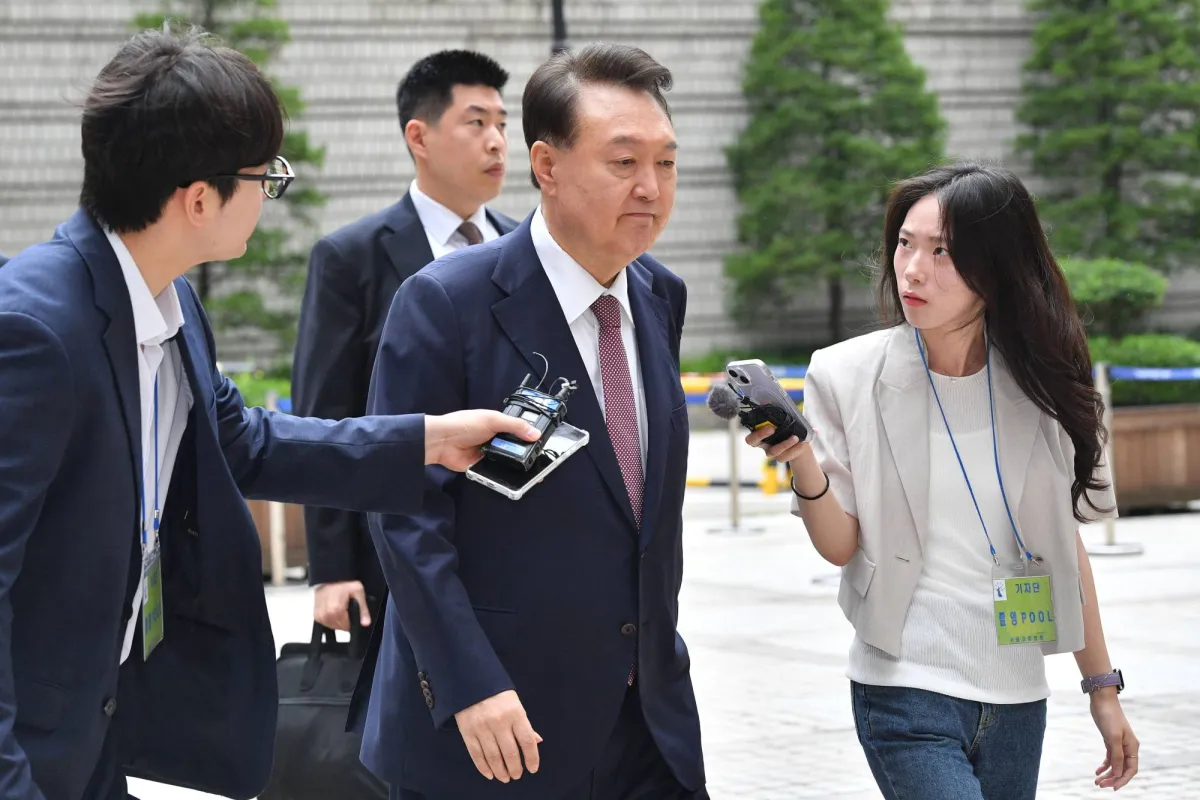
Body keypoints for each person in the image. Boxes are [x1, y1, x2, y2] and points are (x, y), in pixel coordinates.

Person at [0, 29, 541, 800]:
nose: (270, 192)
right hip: (30, 741)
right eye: (266, 176)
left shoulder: (167, 298)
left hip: (93, 722)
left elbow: (242, 442)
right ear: (198, 199)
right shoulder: (37, 328)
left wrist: (427, 439)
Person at [351, 43, 707, 800]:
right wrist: (468, 684)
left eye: (667, 163)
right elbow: (405, 516)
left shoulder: (659, 295)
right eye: (624, 162)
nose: (650, 187)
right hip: (497, 724)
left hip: (646, 717)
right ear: (546, 165)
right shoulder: (446, 302)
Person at [748, 163, 1139, 799]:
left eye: (943, 252)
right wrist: (802, 462)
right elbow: (841, 546)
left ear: (998, 267)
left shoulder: (1040, 382)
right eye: (905, 243)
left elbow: (1064, 549)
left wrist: (1102, 689)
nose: (912, 269)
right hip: (904, 688)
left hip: (1017, 698)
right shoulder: (845, 374)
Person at [293, 49, 518, 635]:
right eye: (476, 122)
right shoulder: (352, 257)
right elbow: (325, 413)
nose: (497, 141)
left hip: (518, 539)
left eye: (502, 123)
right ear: (419, 136)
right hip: (399, 546)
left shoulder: (528, 249)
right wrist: (332, 568)